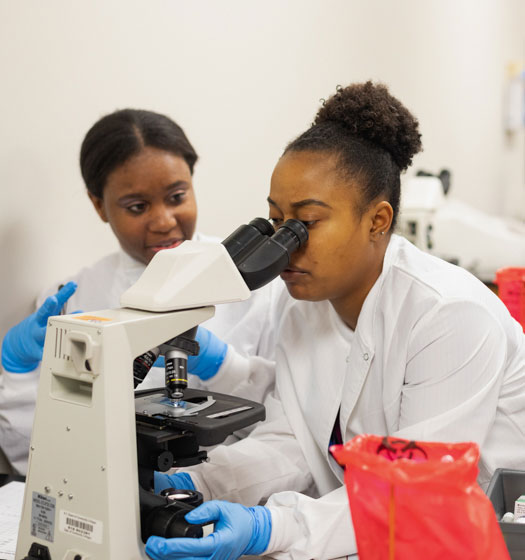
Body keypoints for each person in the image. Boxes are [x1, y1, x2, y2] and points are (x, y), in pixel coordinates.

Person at [145, 81, 525, 560]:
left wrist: (272, 527)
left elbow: (414, 491)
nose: (286, 244)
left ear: (377, 220)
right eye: (277, 222)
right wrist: (198, 482)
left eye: (308, 222)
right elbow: (297, 441)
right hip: (369, 531)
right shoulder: (301, 302)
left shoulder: (449, 314)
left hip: (476, 538)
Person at [0, 109, 281, 476]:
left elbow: (287, 431)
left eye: (177, 196)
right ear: (99, 204)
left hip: (229, 497)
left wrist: (224, 367)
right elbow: (37, 454)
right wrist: (18, 370)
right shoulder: (71, 299)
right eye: (137, 206)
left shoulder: (258, 288)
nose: (164, 220)